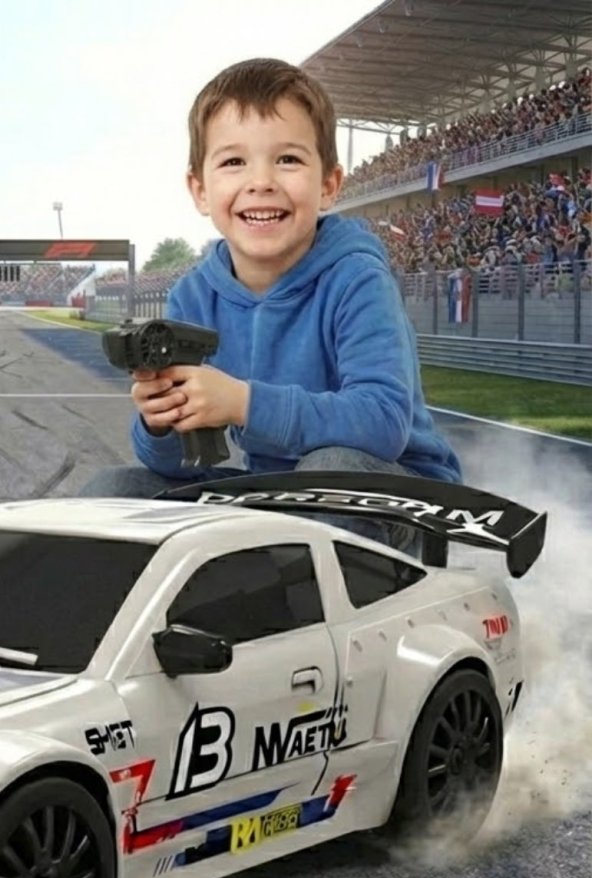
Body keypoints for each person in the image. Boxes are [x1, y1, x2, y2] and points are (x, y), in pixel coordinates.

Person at [79, 58, 462, 553]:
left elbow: (382, 425)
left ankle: (318, 609)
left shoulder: (357, 277)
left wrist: (241, 402)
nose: (261, 181)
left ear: (328, 184)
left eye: (287, 160)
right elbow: (171, 466)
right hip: (274, 495)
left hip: (396, 495)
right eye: (234, 162)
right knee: (112, 492)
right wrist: (161, 420)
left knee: (330, 471)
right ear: (200, 189)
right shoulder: (192, 296)